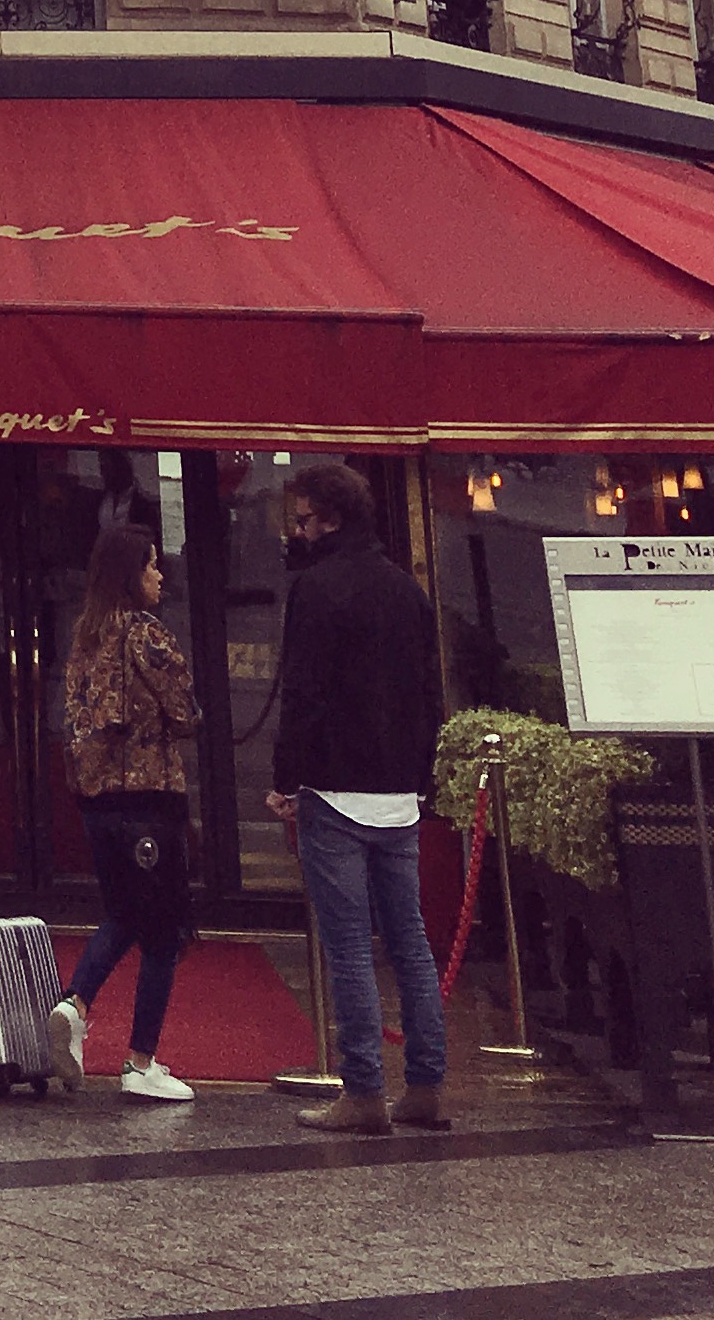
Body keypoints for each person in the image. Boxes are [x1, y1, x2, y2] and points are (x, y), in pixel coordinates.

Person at [271, 453, 450, 1138]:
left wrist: (287, 778)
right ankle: (427, 1082)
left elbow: (305, 693)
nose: (300, 531)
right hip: (397, 789)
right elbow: (429, 692)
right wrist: (420, 772)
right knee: (410, 939)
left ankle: (365, 1090)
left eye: (306, 519)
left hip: (336, 788)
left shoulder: (317, 589)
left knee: (347, 944)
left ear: (331, 517)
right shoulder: (407, 590)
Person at [47, 523, 201, 1105]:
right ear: (130, 575)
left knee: (123, 912)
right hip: (149, 800)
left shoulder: (84, 639)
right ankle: (141, 1060)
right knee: (162, 932)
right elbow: (185, 712)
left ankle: (75, 1005)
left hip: (96, 802)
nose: (160, 575)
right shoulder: (147, 637)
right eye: (152, 566)